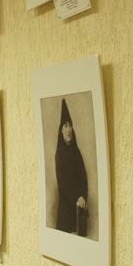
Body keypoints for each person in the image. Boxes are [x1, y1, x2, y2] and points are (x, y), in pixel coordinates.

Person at [54, 99, 88, 235]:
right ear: (61, 131)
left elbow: (83, 177)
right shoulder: (59, 154)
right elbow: (62, 184)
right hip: (66, 212)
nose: (69, 130)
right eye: (65, 126)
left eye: (70, 126)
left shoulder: (76, 152)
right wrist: (76, 199)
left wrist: (83, 196)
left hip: (79, 209)